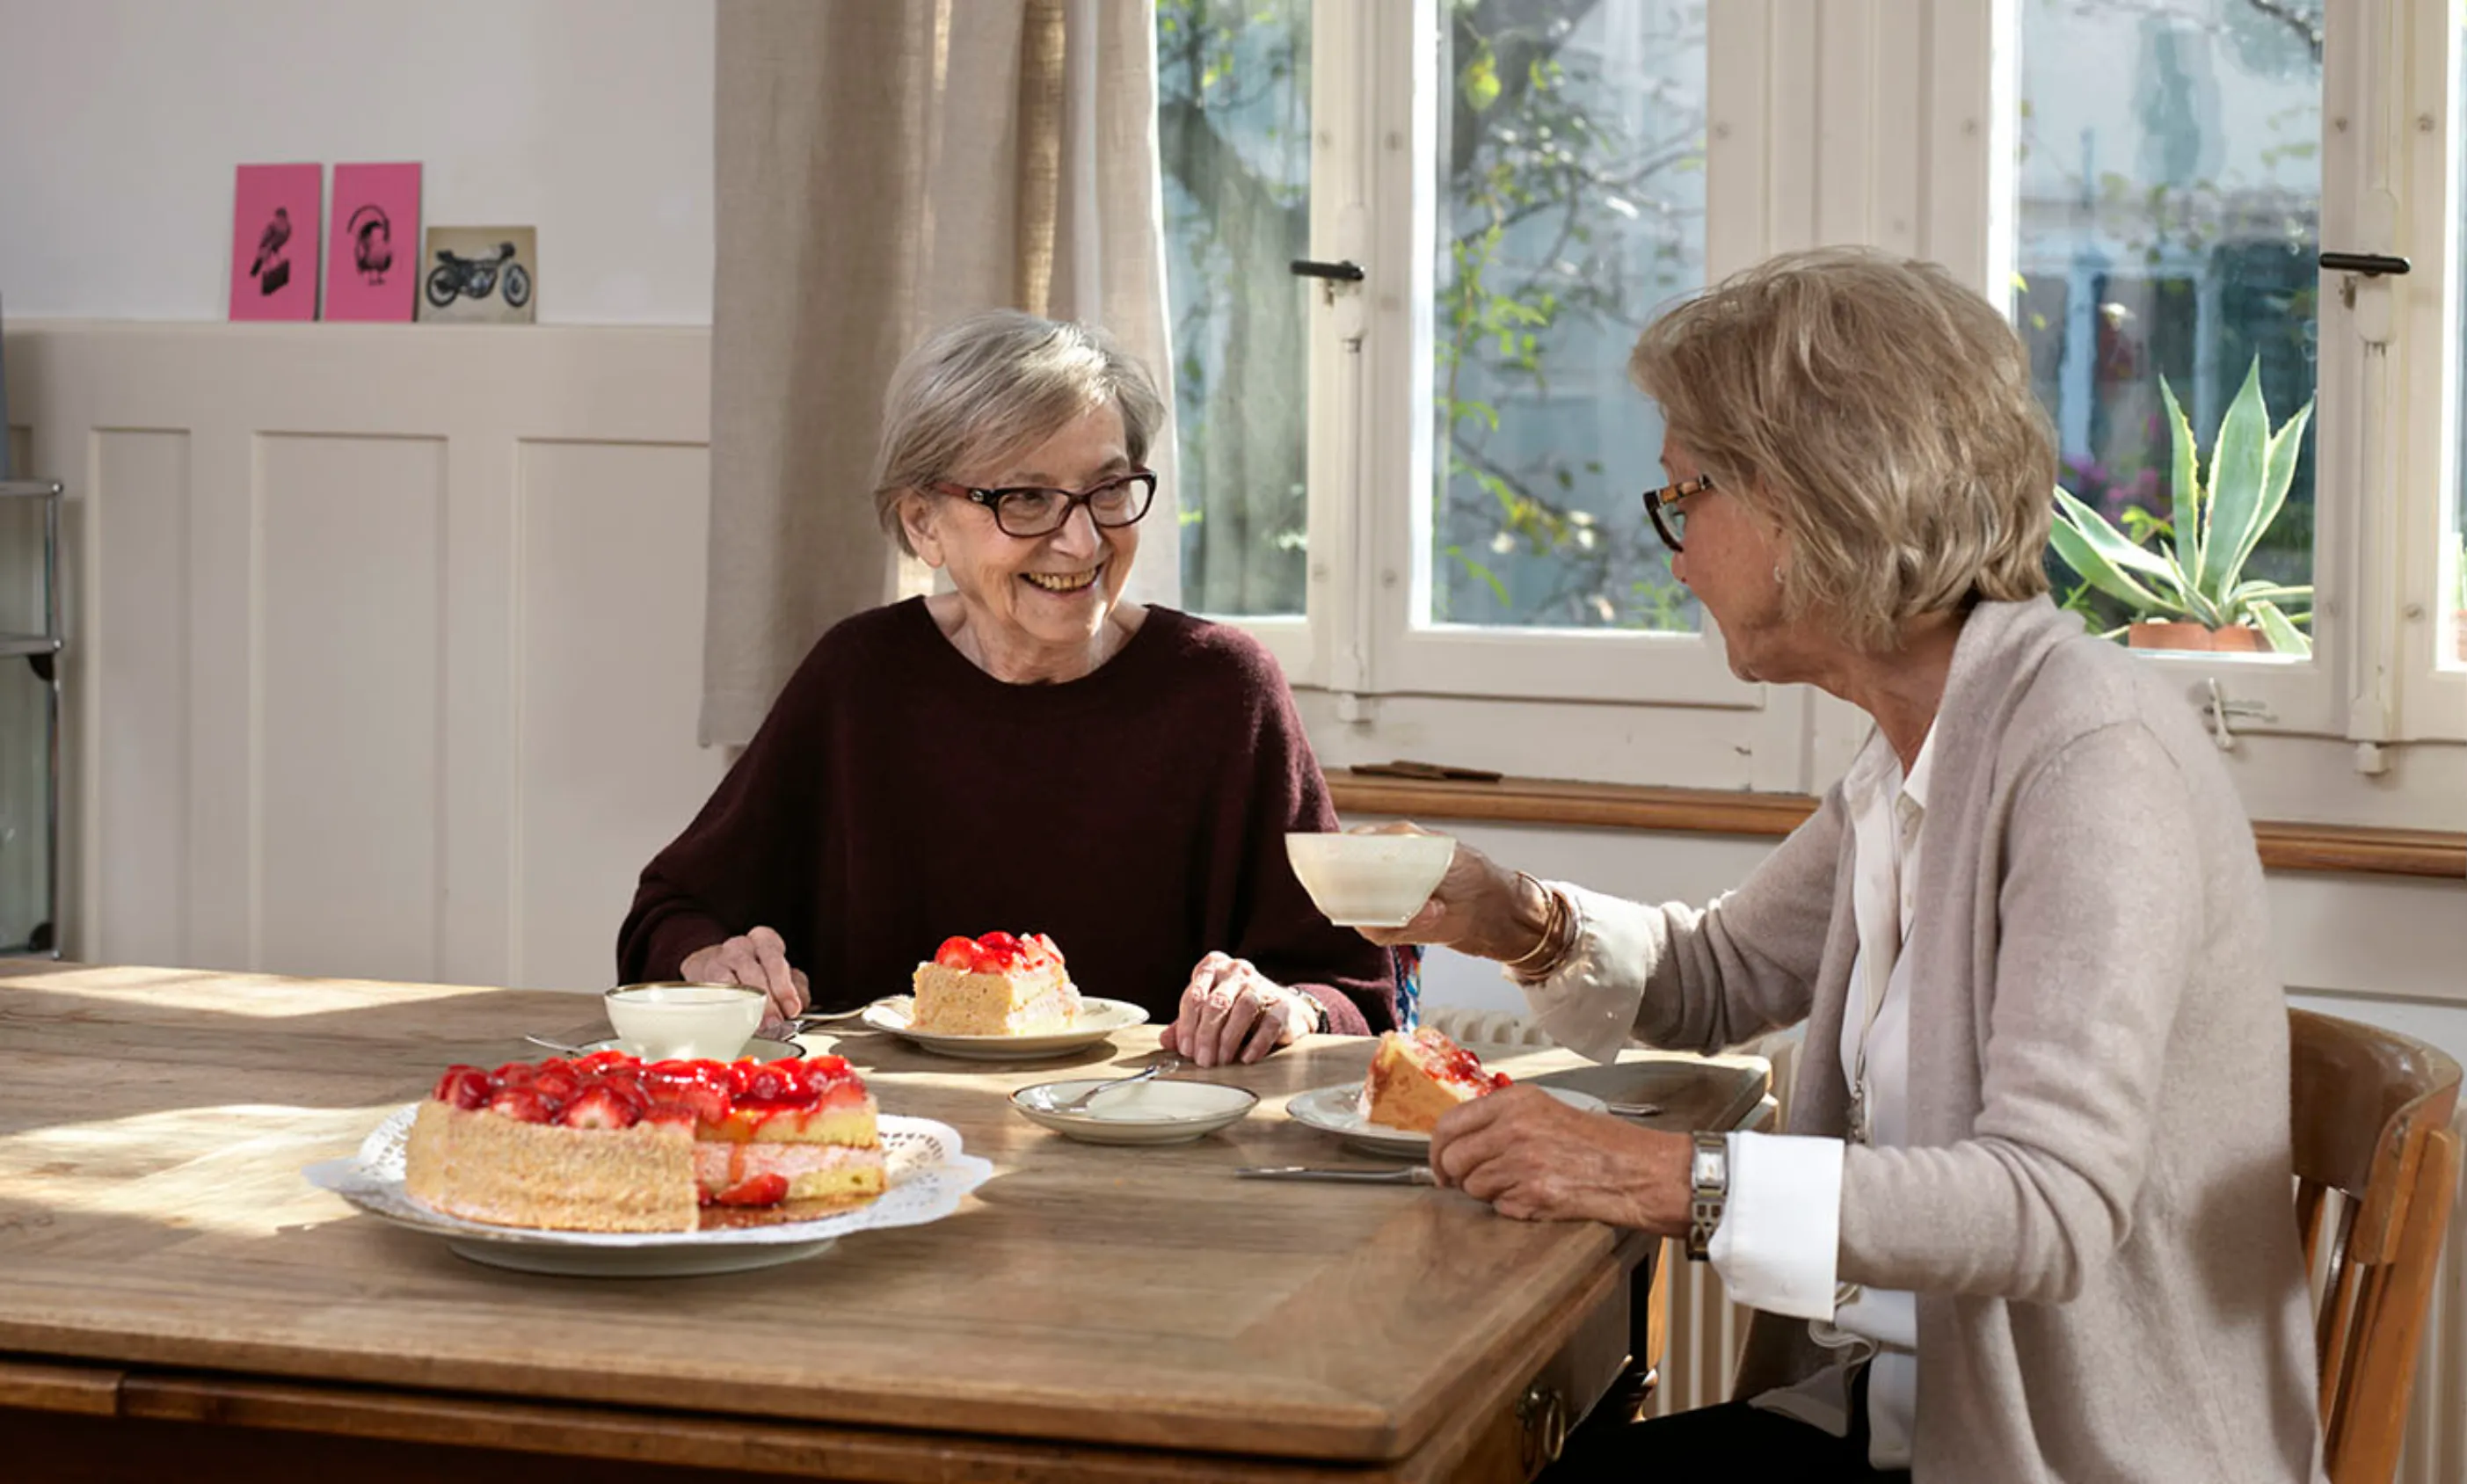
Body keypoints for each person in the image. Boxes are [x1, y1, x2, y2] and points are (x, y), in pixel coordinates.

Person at [1364, 247, 2321, 1481]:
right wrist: (1505, 913)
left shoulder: (2090, 758)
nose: (1675, 548)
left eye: (1686, 496)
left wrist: (1668, 1176)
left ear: (1820, 496)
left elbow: (2051, 1206)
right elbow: (1717, 974)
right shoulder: (1925, 747)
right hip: (1900, 1417)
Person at [621, 310, 1394, 1064]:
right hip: (885, 1142)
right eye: (1024, 499)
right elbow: (670, 914)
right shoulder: (861, 677)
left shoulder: (1223, 689)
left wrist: (1288, 1006)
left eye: (1110, 489)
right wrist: (712, 959)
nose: (1083, 539)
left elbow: (1350, 988)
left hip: (1158, 1150)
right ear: (923, 522)